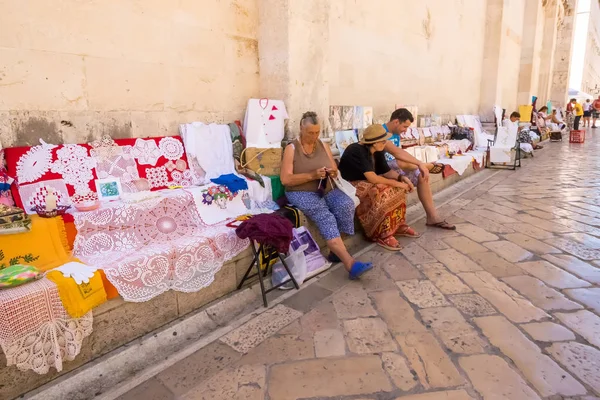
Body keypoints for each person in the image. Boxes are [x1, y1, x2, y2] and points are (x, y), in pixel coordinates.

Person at [280, 111, 373, 280]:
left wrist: (332, 171)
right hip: (301, 192)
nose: (314, 136)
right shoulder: (291, 148)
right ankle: (350, 263)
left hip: (326, 188)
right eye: (310, 133)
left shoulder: (323, 145)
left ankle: (335, 251)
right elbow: (286, 179)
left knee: (345, 204)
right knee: (325, 216)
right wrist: (311, 175)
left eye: (317, 132)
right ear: (301, 128)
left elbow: (335, 170)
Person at [338, 124, 419, 251]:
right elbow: (373, 178)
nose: (385, 143)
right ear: (374, 143)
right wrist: (397, 183)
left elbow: (386, 171)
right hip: (350, 184)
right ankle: (381, 233)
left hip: (367, 181)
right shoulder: (356, 150)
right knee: (381, 191)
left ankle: (398, 225)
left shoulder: (378, 151)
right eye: (383, 141)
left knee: (396, 188)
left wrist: (401, 178)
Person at [382, 108, 455, 230]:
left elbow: (399, 153)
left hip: (396, 167)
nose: (405, 131)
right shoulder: (381, 132)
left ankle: (432, 217)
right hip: (382, 168)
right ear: (396, 122)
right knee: (403, 162)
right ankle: (427, 165)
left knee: (421, 174)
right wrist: (420, 163)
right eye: (404, 127)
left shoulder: (396, 134)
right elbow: (397, 153)